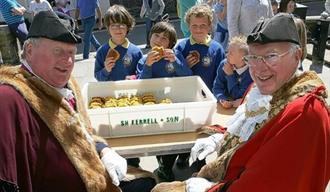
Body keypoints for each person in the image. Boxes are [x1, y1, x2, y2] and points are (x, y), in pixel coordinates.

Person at [152, 13, 330, 192]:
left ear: (297, 55)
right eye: (252, 58)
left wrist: (206, 189)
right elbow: (250, 131)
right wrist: (221, 137)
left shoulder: (305, 114)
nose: (259, 69)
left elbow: (266, 184)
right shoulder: (260, 88)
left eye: (270, 56)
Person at [0, 10, 155, 192]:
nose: (67, 61)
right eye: (57, 51)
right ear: (29, 50)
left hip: (94, 177)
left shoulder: (68, 84)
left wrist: (103, 149)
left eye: (72, 53)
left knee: (147, 183)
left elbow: (83, 132)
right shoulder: (8, 98)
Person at [175, 4, 226, 91]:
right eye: (194, 26)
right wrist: (184, 65)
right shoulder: (181, 47)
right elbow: (173, 74)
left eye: (203, 25)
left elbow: (221, 77)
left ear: (209, 27)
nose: (198, 30)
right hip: (186, 93)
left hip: (210, 94)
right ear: (188, 27)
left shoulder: (217, 49)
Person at [94, 5, 143, 82]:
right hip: (110, 92)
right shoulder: (102, 51)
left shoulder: (136, 51)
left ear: (128, 27)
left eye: (122, 25)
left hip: (130, 91)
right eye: (113, 25)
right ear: (108, 28)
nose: (118, 29)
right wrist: (105, 70)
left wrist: (134, 78)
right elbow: (98, 77)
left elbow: (141, 75)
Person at [213, 35, 253, 109]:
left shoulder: (250, 72)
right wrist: (222, 99)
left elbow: (239, 96)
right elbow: (217, 87)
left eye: (231, 53)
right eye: (227, 51)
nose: (226, 55)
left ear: (242, 58)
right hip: (226, 105)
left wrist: (230, 75)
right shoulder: (224, 64)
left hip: (241, 108)